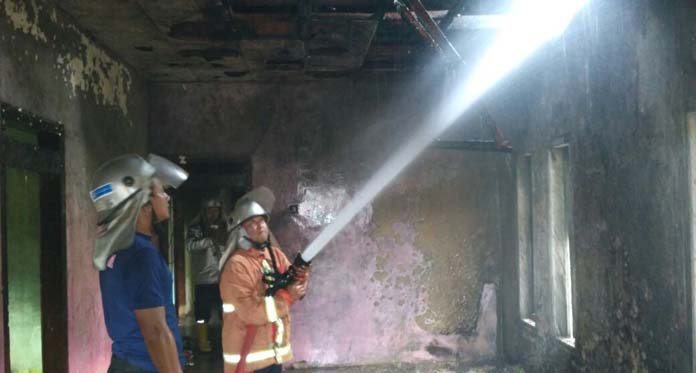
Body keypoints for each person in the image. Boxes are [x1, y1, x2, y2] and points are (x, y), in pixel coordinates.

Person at [89, 154, 188, 372]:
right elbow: (155, 331)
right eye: (161, 191)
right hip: (146, 366)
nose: (167, 198)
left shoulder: (121, 249)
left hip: (126, 363)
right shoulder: (142, 256)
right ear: (143, 203)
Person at [218, 191, 310, 373]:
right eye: (250, 223)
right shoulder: (236, 266)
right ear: (240, 232)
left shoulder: (274, 255)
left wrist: (300, 277)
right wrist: (286, 297)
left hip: (272, 352)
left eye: (261, 221)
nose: (258, 226)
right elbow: (251, 312)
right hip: (249, 358)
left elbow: (291, 285)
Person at [186, 197, 227, 353]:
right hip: (203, 278)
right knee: (202, 313)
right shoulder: (196, 227)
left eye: (215, 209)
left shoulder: (226, 225)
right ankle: (203, 342)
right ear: (204, 211)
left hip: (223, 277)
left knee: (226, 311)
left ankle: (227, 341)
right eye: (209, 210)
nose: (212, 213)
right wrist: (209, 240)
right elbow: (190, 245)